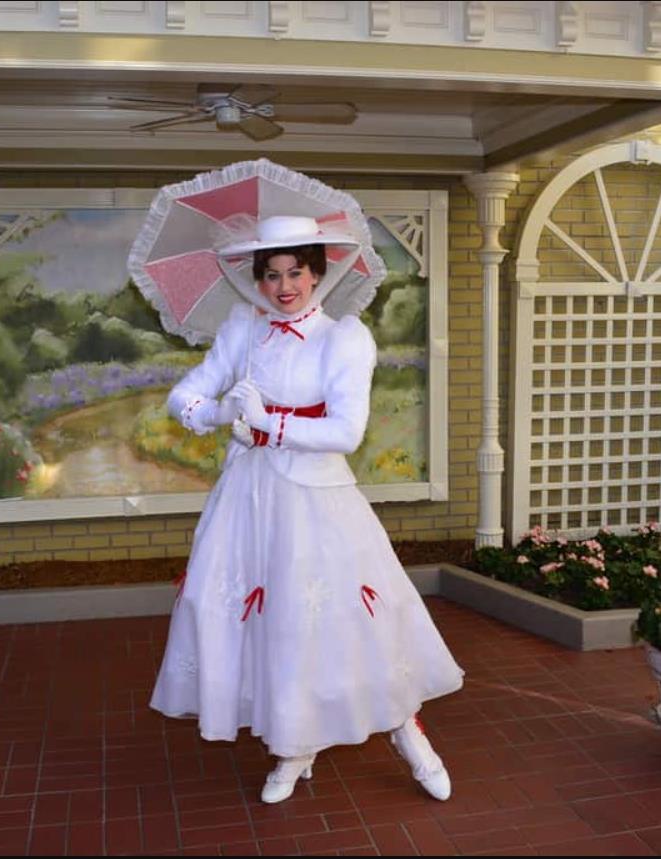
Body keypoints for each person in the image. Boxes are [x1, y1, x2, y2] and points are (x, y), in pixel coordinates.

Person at [150, 214, 464, 804]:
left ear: (319, 272)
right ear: (258, 280)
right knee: (276, 623)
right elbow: (184, 395)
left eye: (296, 271)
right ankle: (295, 747)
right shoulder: (242, 330)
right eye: (271, 274)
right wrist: (221, 415)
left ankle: (408, 735)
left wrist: (269, 423)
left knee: (345, 621)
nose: (285, 286)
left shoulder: (343, 337)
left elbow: (346, 431)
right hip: (249, 500)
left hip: (318, 500)